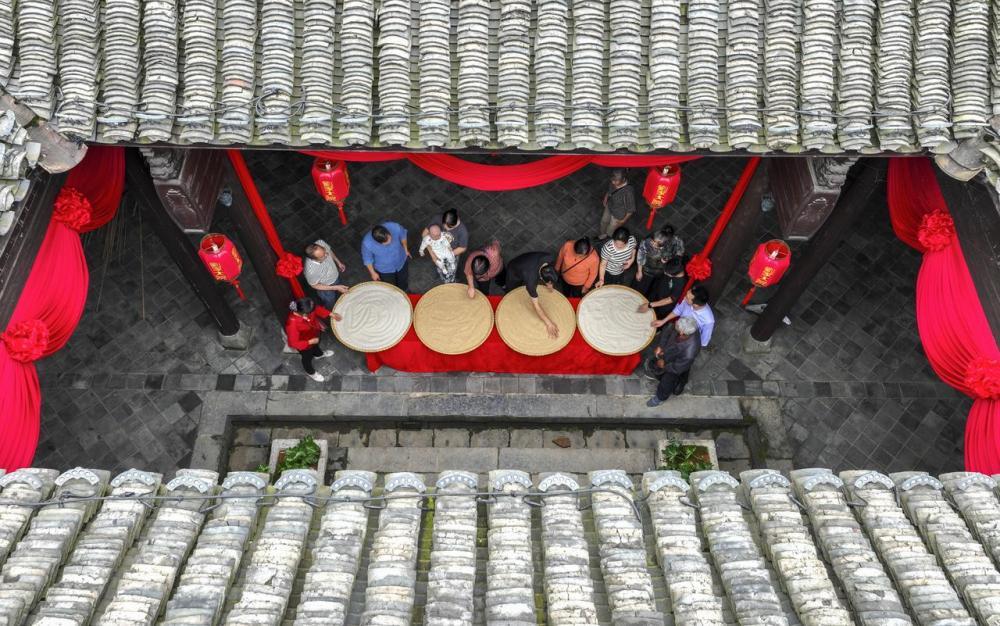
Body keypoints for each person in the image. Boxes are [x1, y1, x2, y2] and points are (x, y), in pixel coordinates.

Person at [645, 316, 701, 407]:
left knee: (667, 381)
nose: (674, 324)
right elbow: (667, 331)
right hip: (669, 354)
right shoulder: (683, 326)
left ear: (682, 333)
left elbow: (677, 368)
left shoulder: (690, 352)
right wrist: (661, 346)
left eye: (677, 325)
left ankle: (660, 398)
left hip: (676, 364)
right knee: (658, 364)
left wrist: (664, 366)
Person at [504, 251, 561, 338]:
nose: (550, 286)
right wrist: (549, 323)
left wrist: (550, 283)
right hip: (514, 270)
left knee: (526, 275)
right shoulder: (531, 281)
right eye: (549, 283)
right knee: (511, 291)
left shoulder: (550, 258)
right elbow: (536, 306)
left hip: (527, 261)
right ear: (541, 278)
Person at [285, 297, 336, 383]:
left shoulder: (306, 306)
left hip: (313, 335)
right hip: (304, 344)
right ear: (304, 314)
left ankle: (318, 354)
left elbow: (316, 309)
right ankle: (311, 372)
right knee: (307, 358)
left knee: (316, 347)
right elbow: (293, 343)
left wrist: (331, 314)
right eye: (311, 311)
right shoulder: (292, 324)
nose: (313, 310)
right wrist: (309, 342)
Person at [633, 226, 684, 297]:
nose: (653, 244)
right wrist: (639, 271)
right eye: (653, 241)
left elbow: (679, 255)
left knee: (653, 290)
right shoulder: (647, 241)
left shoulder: (676, 241)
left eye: (656, 244)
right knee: (640, 287)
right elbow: (640, 256)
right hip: (648, 270)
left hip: (663, 272)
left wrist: (668, 260)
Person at [362, 222, 410, 291]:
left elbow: (403, 235)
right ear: (378, 242)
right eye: (386, 243)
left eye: (390, 239)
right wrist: (373, 273)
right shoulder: (367, 243)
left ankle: (405, 291)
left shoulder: (395, 227)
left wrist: (405, 249)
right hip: (385, 270)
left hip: (401, 261)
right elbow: (367, 259)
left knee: (403, 280)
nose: (390, 242)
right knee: (390, 286)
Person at [303, 240, 349, 309]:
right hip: (326, 286)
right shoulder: (311, 271)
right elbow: (314, 285)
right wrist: (335, 287)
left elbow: (329, 251)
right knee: (330, 302)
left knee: (338, 289)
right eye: (323, 256)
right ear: (314, 260)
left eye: (325, 252)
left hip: (335, 276)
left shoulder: (321, 243)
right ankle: (331, 310)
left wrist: (338, 262)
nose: (327, 255)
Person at [638, 256, 686, 320]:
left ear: (675, 274)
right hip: (656, 292)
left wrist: (650, 305)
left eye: (667, 273)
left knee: (651, 318)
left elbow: (670, 299)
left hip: (662, 305)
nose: (665, 273)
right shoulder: (675, 262)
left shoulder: (680, 283)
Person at [600, 169, 635, 238]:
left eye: (616, 181)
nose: (613, 182)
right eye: (612, 180)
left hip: (618, 215)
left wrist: (623, 221)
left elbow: (630, 210)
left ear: (623, 179)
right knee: (604, 221)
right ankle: (602, 235)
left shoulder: (628, 192)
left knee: (611, 229)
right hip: (609, 206)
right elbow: (609, 191)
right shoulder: (613, 182)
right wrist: (606, 197)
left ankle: (607, 238)